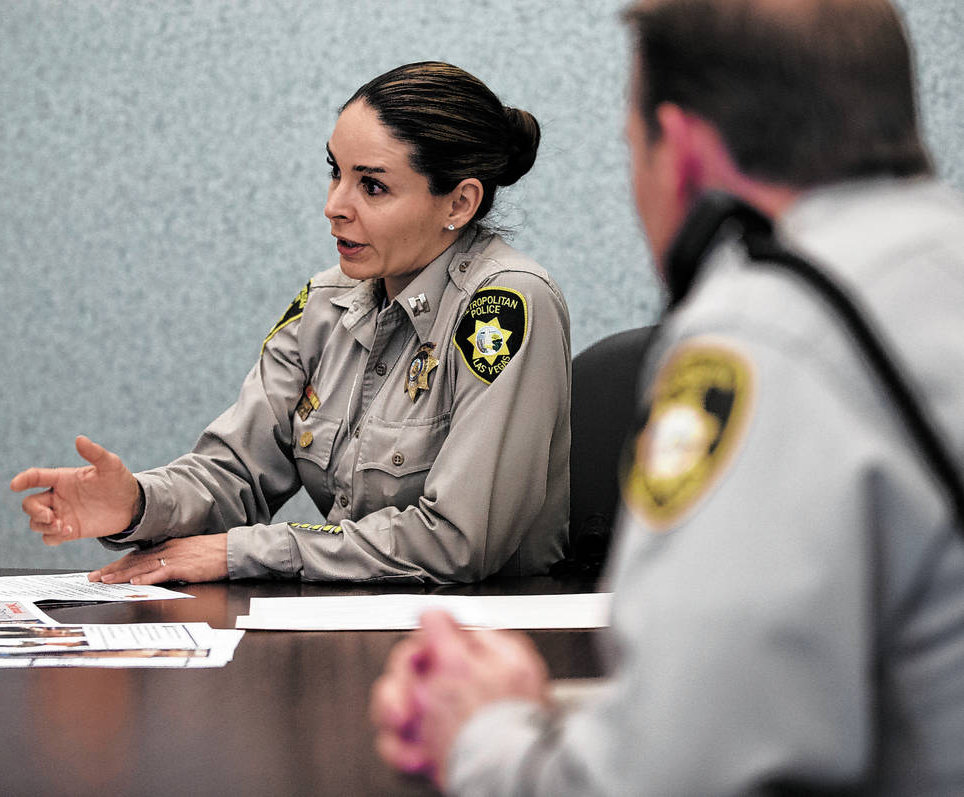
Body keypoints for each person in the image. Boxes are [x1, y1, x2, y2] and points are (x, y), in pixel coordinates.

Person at [370, 1, 964, 794]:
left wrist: (480, 734)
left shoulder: (762, 334)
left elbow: (679, 775)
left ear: (679, 151)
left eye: (631, 148)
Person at [10, 61, 571, 586]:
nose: (335, 205)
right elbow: (236, 474)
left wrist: (247, 551)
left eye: (371, 185)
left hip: (491, 642)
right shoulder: (327, 302)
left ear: (459, 203)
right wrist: (135, 503)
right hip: (357, 626)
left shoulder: (505, 306)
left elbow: (458, 541)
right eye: (336, 173)